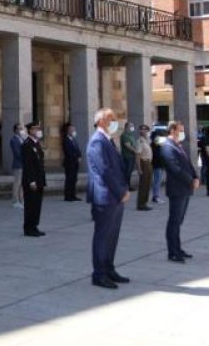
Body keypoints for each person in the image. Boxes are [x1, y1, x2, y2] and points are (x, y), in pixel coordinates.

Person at [86, 107, 130, 289]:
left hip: (115, 196)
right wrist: (121, 191)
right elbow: (105, 170)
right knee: (103, 236)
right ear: (100, 121)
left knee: (112, 236)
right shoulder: (97, 142)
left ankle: (109, 268)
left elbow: (117, 168)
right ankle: (99, 274)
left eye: (115, 118)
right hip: (106, 196)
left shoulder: (108, 140)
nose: (114, 122)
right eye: (110, 118)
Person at [160, 121, 197, 263]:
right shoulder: (167, 147)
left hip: (185, 188)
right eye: (180, 130)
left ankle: (178, 248)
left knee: (179, 221)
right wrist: (190, 180)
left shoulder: (178, 145)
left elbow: (188, 164)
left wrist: (196, 177)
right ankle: (173, 252)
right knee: (174, 221)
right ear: (173, 130)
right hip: (177, 189)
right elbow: (175, 169)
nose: (183, 133)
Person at [21, 122, 46, 237]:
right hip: (32, 181)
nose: (38, 131)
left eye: (38, 129)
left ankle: (34, 225)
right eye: (35, 129)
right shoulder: (27, 144)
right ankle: (28, 228)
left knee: (37, 205)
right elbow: (28, 164)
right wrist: (31, 180)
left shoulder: (36, 143)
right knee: (31, 205)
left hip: (39, 179)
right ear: (30, 130)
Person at [61, 122, 81, 201]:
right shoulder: (66, 140)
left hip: (75, 163)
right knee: (69, 179)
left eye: (74, 130)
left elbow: (77, 150)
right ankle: (67, 196)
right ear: (68, 131)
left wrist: (79, 156)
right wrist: (76, 157)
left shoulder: (74, 140)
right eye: (72, 130)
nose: (74, 131)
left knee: (74, 179)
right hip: (69, 162)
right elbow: (68, 152)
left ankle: (73, 195)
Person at [136, 125, 154, 211]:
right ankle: (141, 204)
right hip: (144, 163)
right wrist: (139, 168)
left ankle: (145, 202)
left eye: (146, 130)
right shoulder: (140, 141)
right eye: (142, 130)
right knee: (143, 185)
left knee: (148, 184)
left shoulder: (147, 141)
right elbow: (137, 155)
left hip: (148, 163)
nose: (144, 131)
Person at [9, 123, 26, 209]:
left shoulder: (22, 139)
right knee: (17, 184)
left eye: (21, 128)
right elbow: (17, 153)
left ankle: (21, 200)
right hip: (18, 165)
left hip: (23, 164)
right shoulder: (14, 140)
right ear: (15, 130)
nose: (21, 130)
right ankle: (15, 201)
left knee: (22, 184)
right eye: (19, 129)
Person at [119, 122, 138, 187]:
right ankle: (126, 186)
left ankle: (128, 185)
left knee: (130, 172)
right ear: (126, 127)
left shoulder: (131, 135)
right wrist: (136, 151)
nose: (132, 128)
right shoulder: (124, 135)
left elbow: (133, 144)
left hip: (132, 156)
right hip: (127, 157)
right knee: (127, 172)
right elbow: (128, 146)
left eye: (133, 126)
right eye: (131, 126)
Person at [151, 131, 166, 204]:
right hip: (157, 165)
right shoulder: (154, 146)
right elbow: (157, 156)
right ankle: (155, 196)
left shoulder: (159, 145)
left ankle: (156, 196)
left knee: (158, 181)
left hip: (160, 165)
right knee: (157, 181)